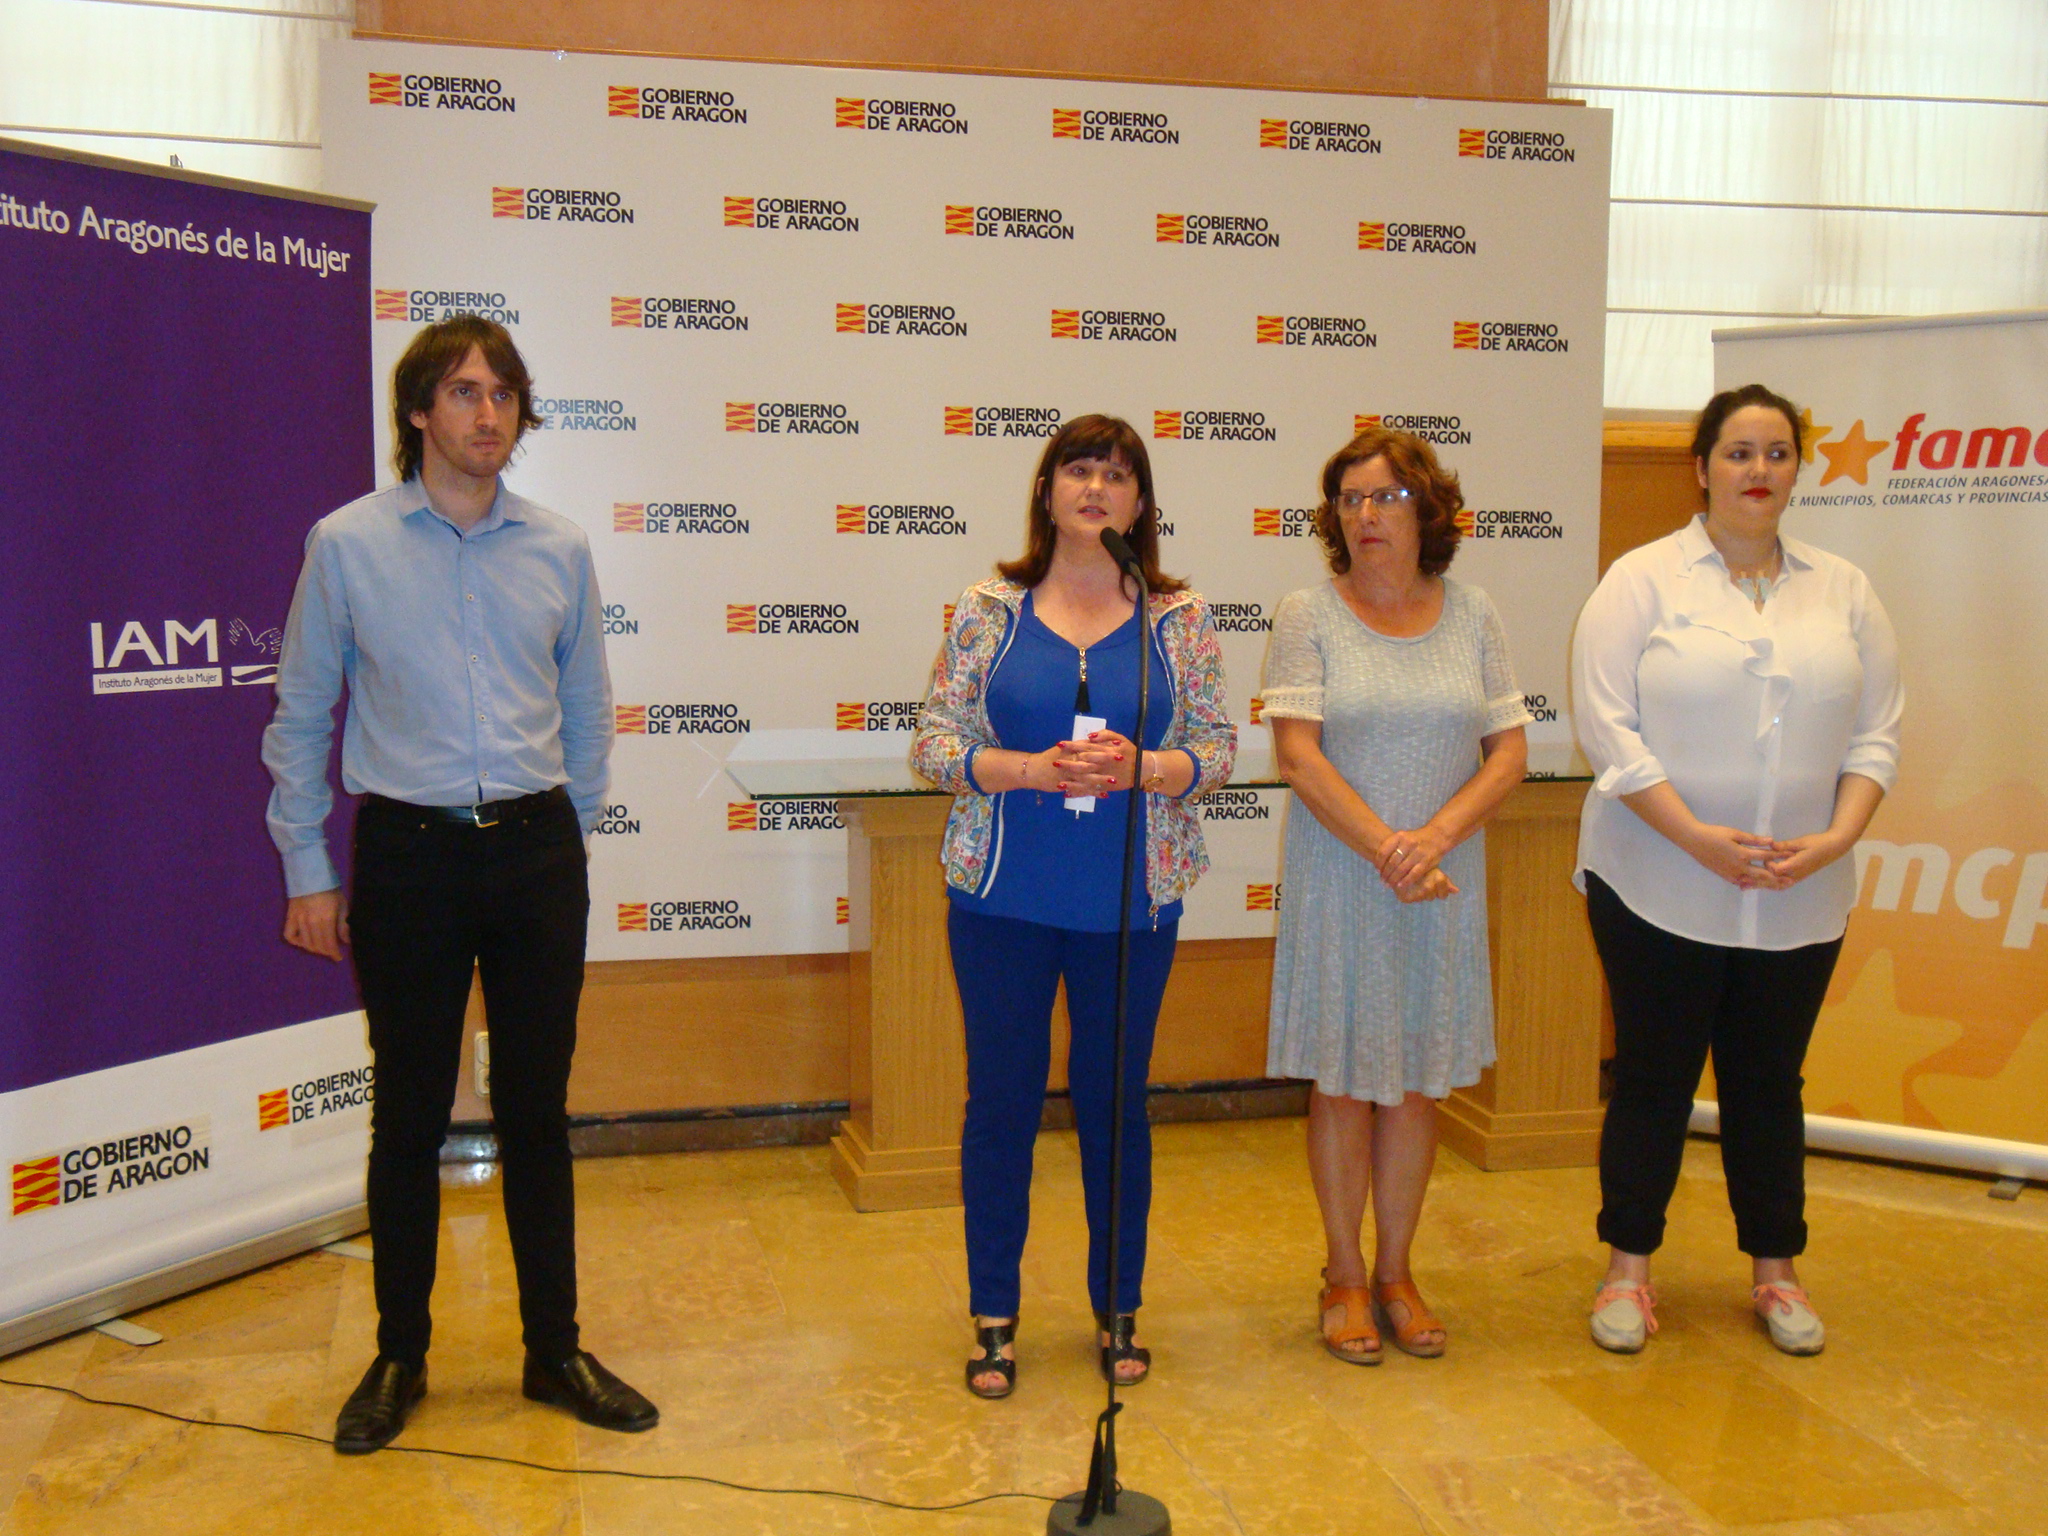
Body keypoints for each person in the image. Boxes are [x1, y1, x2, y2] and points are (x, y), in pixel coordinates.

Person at [262, 315, 658, 1452]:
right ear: (418, 412)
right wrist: (308, 868)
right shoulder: (347, 544)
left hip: (535, 853)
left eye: (504, 394)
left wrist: (568, 835)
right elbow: (301, 715)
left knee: (536, 1112)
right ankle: (400, 1356)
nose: (489, 414)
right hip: (409, 858)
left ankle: (554, 1350)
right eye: (465, 392)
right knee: (409, 1116)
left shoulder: (560, 548)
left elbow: (586, 710)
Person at [1573, 383, 1902, 1356]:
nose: (1758, 470)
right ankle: (1627, 1272)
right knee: (1654, 1076)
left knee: (1767, 1083)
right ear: (1701, 468)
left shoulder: (1844, 589)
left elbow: (1877, 736)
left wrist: (1835, 839)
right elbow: (1608, 730)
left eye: (1776, 453)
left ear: (1797, 469)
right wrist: (1694, 837)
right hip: (1655, 880)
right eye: (1738, 452)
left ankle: (1776, 1272)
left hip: (1801, 891)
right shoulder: (1640, 580)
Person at [911, 414, 1235, 1398]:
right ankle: (993, 1316)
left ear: (1140, 503)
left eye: (1117, 475)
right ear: (1047, 491)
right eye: (1078, 471)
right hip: (1002, 901)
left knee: (1114, 1105)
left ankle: (1117, 1307)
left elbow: (1217, 748)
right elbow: (933, 743)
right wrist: (1025, 769)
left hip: (1130, 907)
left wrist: (1148, 766)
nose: (1096, 489)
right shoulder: (989, 609)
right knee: (1000, 1105)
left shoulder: (1179, 619)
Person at [1262, 425, 1531, 1364]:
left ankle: (1397, 1273)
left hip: (1440, 881)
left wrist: (1432, 841)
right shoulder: (1308, 613)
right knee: (1343, 1081)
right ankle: (1343, 1274)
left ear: (1429, 509)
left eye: (1386, 497)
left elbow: (1509, 754)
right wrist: (1390, 849)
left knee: (1416, 1081)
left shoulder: (1475, 613)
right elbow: (1299, 756)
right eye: (1350, 500)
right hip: (1346, 877)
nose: (1365, 515)